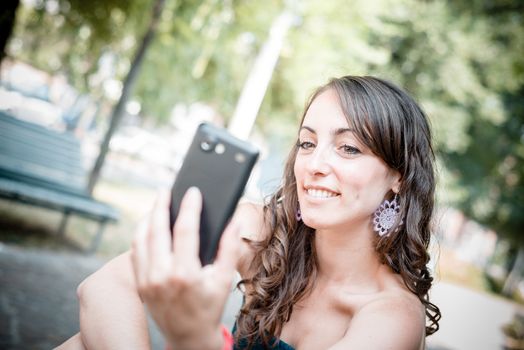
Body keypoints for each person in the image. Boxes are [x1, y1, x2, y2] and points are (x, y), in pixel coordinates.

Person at [59, 75, 441, 349]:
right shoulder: (262, 229)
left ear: (399, 178)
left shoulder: (392, 318)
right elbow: (102, 287)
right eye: (307, 143)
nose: (314, 164)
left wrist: (193, 337)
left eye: (349, 148)